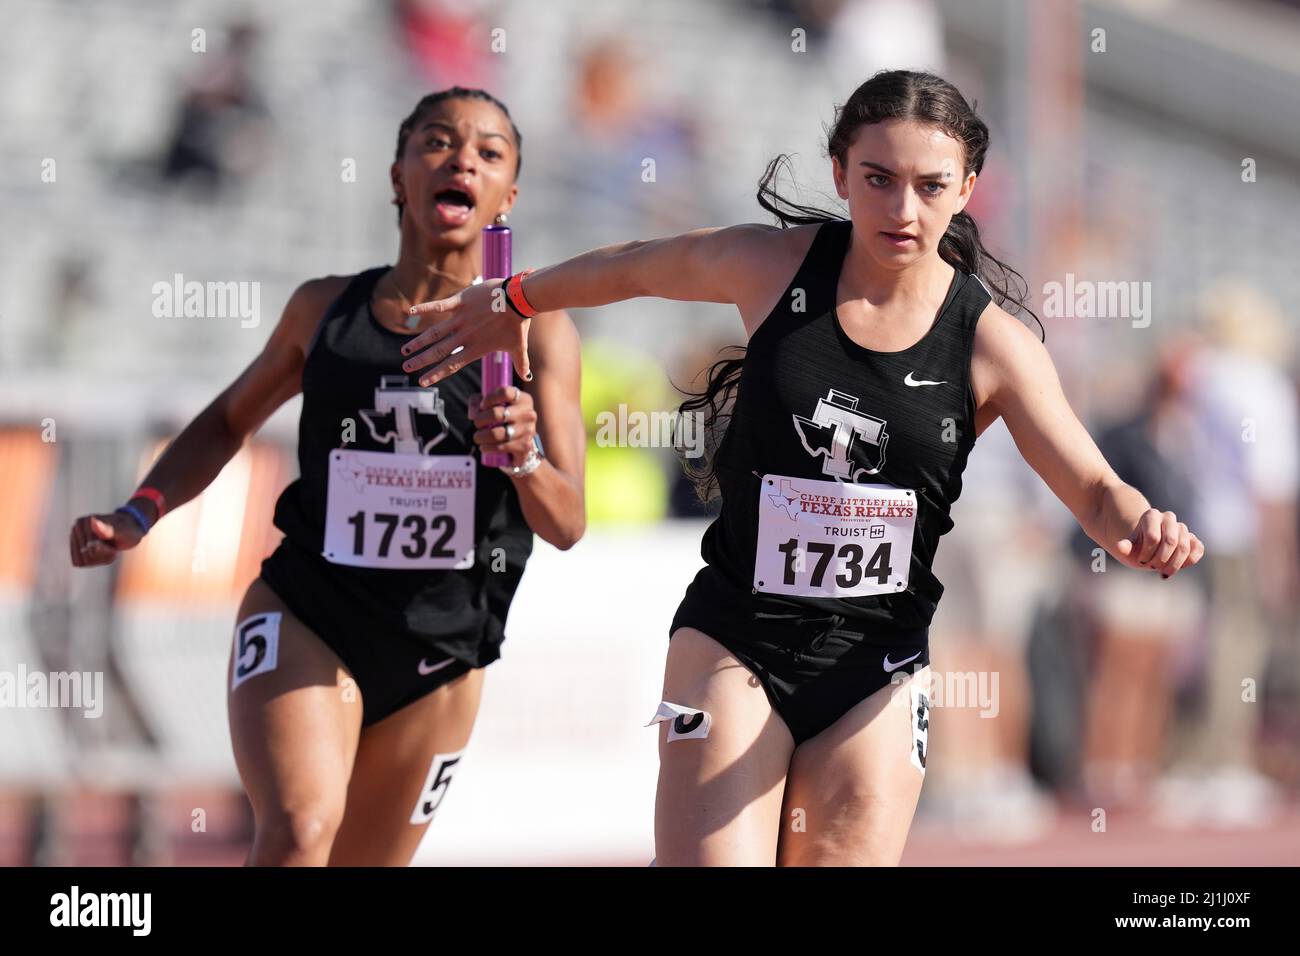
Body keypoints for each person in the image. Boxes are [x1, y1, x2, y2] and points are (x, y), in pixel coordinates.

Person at [399, 69, 1204, 866]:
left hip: (876, 666)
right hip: (736, 640)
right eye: (879, 180)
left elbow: (1094, 487)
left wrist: (1141, 527)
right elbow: (638, 264)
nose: (902, 209)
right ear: (840, 175)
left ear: (967, 189)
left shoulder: (994, 345)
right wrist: (514, 299)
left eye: (929, 186)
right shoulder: (773, 267)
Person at [69, 88, 586, 866]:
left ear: (507, 194)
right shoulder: (323, 311)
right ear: (398, 175)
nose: (461, 160)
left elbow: (568, 522)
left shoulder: (536, 331)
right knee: (300, 832)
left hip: (441, 652)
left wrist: (524, 456)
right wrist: (140, 512)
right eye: (438, 143)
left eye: (487, 152)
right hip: (310, 613)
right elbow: (223, 422)